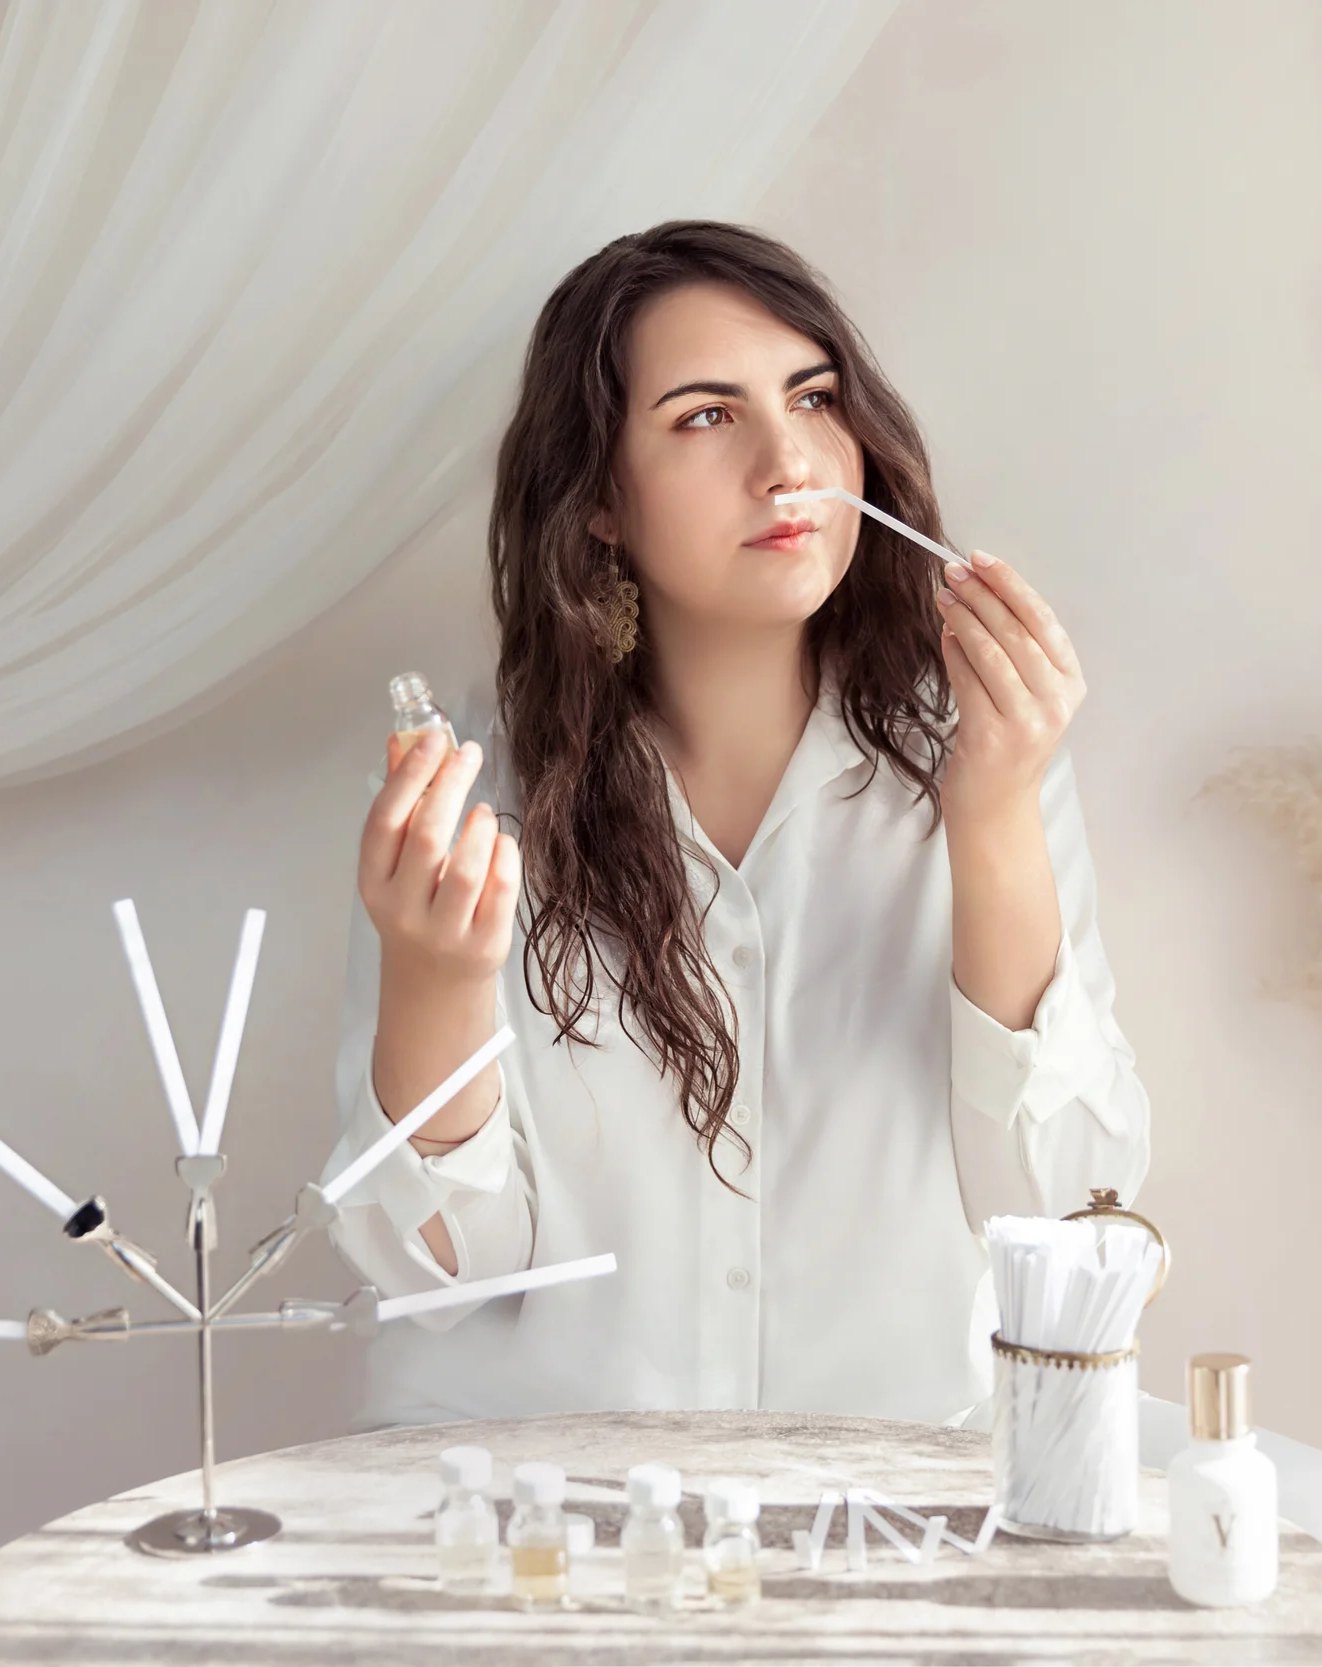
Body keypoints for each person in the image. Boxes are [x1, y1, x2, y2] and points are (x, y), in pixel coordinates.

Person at [320, 220, 1150, 1430]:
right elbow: (443, 1272)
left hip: (882, 1490)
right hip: (549, 1491)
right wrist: (434, 974)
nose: (788, 463)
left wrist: (992, 814)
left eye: (812, 398)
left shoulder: (981, 757)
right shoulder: (470, 799)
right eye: (706, 416)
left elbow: (1063, 1201)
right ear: (599, 500)